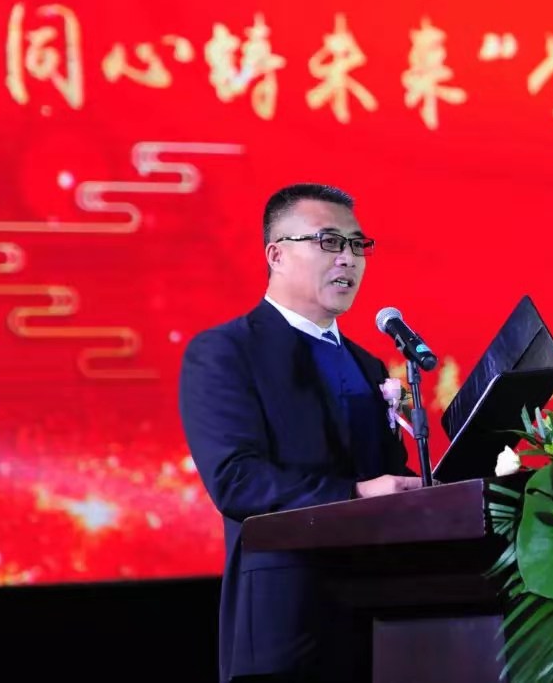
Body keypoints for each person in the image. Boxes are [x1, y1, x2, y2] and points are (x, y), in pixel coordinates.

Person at [179, 183, 422, 682]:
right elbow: (237, 481)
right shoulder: (227, 351)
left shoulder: (368, 364)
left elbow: (389, 478)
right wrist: (355, 494)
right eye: (329, 241)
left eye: (357, 245)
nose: (348, 258)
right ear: (276, 255)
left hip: (385, 622)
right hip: (286, 623)